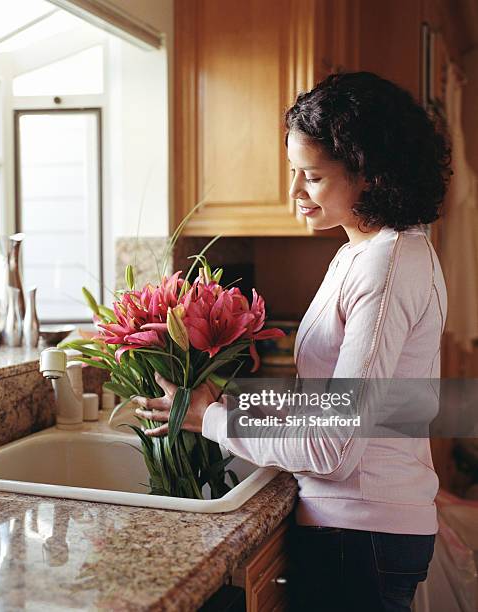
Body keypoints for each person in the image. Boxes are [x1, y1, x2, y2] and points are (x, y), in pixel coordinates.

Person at [132, 72, 452, 612]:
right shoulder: (363, 251)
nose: (294, 193)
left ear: (370, 174)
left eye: (312, 176)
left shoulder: (387, 264)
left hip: (360, 535)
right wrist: (231, 407)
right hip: (361, 529)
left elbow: (333, 446)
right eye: (293, 173)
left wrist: (211, 421)